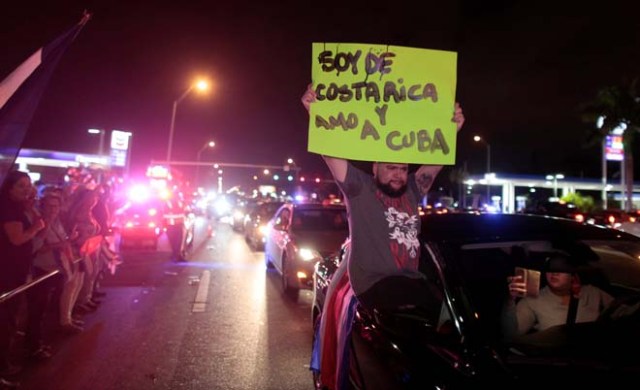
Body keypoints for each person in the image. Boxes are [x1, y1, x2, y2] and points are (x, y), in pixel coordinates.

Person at [303, 84, 464, 389]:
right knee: (413, 356)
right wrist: (315, 113)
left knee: (455, 326)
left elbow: (438, 157)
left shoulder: (414, 189)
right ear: (375, 167)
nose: (398, 175)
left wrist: (452, 126)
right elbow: (332, 156)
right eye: (390, 168)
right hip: (376, 284)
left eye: (403, 169)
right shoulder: (360, 188)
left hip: (411, 282)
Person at [502, 253, 614, 340]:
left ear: (572, 275)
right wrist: (510, 300)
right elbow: (512, 334)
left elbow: (622, 311)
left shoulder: (593, 293)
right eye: (550, 270)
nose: (554, 273)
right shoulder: (533, 300)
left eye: (561, 270)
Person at [0, 171, 45, 380]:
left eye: (28, 185)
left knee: (12, 315)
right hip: (7, 270)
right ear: (9, 188)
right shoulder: (8, 209)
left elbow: (39, 218)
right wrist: (35, 228)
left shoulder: (20, 207)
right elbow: (17, 239)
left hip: (17, 269)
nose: (26, 189)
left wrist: (31, 200)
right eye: (21, 186)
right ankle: (3, 365)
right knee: (6, 317)